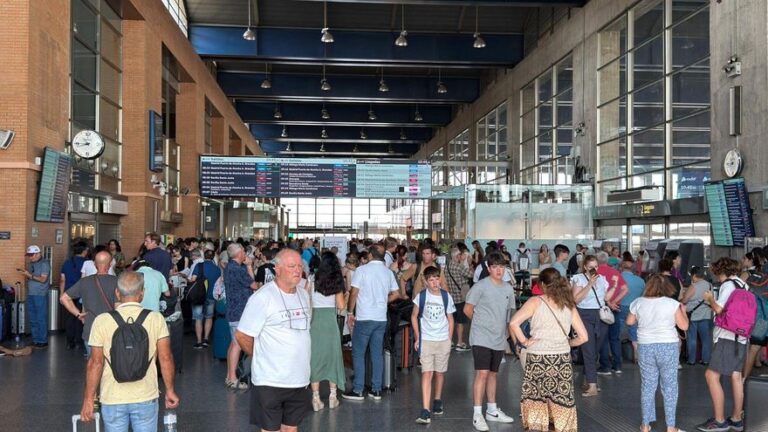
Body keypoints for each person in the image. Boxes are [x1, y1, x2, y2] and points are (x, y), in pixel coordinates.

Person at [79, 271, 180, 431]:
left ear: (117, 293)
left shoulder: (102, 321)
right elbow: (165, 357)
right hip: (146, 395)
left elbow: (95, 363)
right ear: (142, 294)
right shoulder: (155, 319)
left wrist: (89, 398)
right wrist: (170, 390)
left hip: (112, 397)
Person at [235, 249, 312, 432]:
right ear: (277, 269)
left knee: (291, 429)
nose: (297, 271)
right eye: (291, 266)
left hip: (299, 379)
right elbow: (242, 335)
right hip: (271, 380)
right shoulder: (262, 297)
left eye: (299, 266)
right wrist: (260, 355)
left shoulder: (303, 295)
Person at [509, 268, 588, 432]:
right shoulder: (568, 305)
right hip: (561, 361)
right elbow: (583, 337)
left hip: (538, 359)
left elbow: (513, 323)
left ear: (543, 285)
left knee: (537, 399)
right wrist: (567, 343)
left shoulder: (535, 302)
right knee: (562, 400)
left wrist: (524, 341)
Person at [626, 274, 689, 432]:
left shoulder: (638, 302)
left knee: (648, 386)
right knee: (670, 387)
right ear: (666, 288)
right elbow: (684, 326)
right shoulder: (672, 304)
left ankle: (645, 425)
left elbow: (629, 321)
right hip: (668, 346)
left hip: (646, 346)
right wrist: (684, 312)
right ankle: (671, 427)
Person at [463, 252, 516, 431]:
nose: (499, 270)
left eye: (501, 266)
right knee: (482, 373)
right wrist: (481, 324)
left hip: (498, 337)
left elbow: (511, 315)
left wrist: (508, 337)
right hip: (481, 337)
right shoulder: (480, 286)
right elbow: (467, 309)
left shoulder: (508, 289)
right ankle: (477, 413)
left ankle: (492, 410)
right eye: (495, 267)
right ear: (488, 268)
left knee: (493, 373)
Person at [343, 245, 401, 401]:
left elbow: (354, 292)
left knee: (359, 353)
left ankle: (358, 389)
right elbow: (397, 294)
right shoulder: (388, 272)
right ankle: (376, 390)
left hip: (364, 317)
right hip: (381, 318)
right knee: (377, 354)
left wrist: (350, 312)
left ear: (370, 254)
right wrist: (383, 301)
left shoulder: (362, 270)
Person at [696, 257, 746, 432]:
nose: (715, 275)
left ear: (722, 270)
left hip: (726, 336)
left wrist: (710, 299)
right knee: (736, 376)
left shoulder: (727, 285)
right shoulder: (742, 284)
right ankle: (737, 419)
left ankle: (719, 422)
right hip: (741, 337)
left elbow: (719, 310)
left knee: (711, 376)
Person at [411, 266, 456, 425]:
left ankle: (437, 399)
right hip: (427, 340)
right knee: (427, 373)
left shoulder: (446, 297)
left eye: (437, 278)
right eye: (431, 280)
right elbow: (414, 316)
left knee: (439, 373)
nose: (435, 282)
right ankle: (425, 410)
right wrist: (418, 338)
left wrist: (449, 339)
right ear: (426, 281)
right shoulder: (421, 297)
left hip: (443, 340)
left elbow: (450, 319)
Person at [60, 251, 119, 359]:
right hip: (112, 331)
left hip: (91, 331)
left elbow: (64, 298)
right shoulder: (118, 282)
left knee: (94, 365)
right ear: (110, 264)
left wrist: (78, 314)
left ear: (95, 264)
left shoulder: (84, 282)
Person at [309, 252, 347, 411]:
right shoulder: (337, 282)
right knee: (333, 357)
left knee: (315, 358)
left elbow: (306, 300)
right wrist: (346, 295)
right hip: (330, 322)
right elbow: (341, 306)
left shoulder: (312, 279)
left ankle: (316, 399)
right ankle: (333, 396)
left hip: (315, 321)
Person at [570, 255, 611, 396]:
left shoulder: (603, 280)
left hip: (600, 315)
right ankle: (593, 385)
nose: (595, 269)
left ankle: (588, 378)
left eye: (596, 266)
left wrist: (616, 287)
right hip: (584, 315)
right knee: (588, 349)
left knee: (595, 350)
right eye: (591, 267)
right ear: (586, 267)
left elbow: (605, 298)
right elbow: (576, 299)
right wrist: (589, 285)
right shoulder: (578, 279)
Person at [223, 242, 258, 390]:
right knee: (237, 344)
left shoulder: (230, 267)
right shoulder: (237, 269)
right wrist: (250, 267)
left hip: (233, 309)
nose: (246, 254)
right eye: (244, 251)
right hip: (239, 310)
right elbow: (254, 285)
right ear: (239, 254)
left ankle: (229, 375)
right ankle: (232, 378)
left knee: (233, 344)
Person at [596, 251, 628, 375]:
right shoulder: (615, 272)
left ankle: (605, 366)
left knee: (603, 338)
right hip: (616, 308)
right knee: (614, 338)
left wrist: (608, 302)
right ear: (607, 260)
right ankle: (618, 365)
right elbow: (625, 289)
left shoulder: (595, 273)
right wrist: (615, 301)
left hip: (601, 308)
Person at [680, 266, 712, 366]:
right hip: (706, 315)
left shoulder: (693, 286)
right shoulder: (709, 285)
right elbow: (711, 300)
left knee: (692, 338)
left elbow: (684, 300)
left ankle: (692, 360)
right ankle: (706, 360)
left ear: (694, 276)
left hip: (693, 315)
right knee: (705, 339)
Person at [189, 250, 221, 349]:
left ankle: (199, 341)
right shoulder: (217, 269)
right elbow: (218, 284)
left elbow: (193, 279)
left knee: (198, 318)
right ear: (213, 257)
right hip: (211, 296)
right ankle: (206, 339)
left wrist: (188, 280)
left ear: (204, 256)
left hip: (198, 296)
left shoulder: (199, 266)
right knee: (209, 317)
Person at [20, 245, 50, 348]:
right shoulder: (31, 264)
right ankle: (35, 339)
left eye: (32, 255)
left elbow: (43, 279)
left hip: (40, 294)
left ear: (38, 253)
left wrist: (29, 276)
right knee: (33, 318)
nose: (30, 257)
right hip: (31, 294)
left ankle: (43, 340)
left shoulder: (44, 264)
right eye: (29, 255)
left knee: (41, 318)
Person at [60, 241, 89, 349]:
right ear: (84, 251)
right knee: (81, 316)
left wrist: (62, 294)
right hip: (82, 293)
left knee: (69, 318)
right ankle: (79, 342)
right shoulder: (87, 263)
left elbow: (62, 279)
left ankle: (69, 342)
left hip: (68, 293)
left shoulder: (67, 262)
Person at [445, 247, 473, 351]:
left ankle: (450, 341)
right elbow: (471, 275)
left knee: (450, 320)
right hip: (460, 298)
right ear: (457, 256)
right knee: (460, 322)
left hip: (450, 297)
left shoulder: (446, 266)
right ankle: (460, 343)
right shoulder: (459, 267)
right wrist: (468, 263)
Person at [620, 259, 646, 362]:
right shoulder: (640, 281)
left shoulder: (618, 278)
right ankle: (636, 355)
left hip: (619, 307)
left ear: (621, 267)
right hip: (635, 309)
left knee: (617, 331)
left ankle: (616, 356)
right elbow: (643, 296)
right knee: (634, 331)